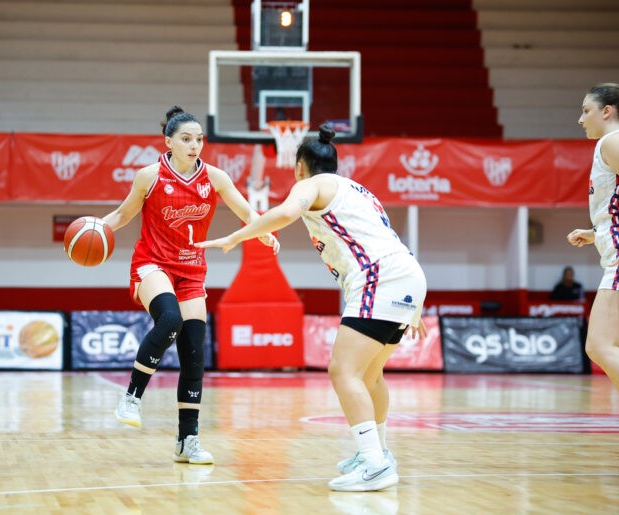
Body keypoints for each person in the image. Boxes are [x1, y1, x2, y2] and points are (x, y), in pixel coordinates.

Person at [196, 125, 427, 492]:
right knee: (370, 376)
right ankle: (378, 452)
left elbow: (286, 212)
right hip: (407, 276)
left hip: (379, 279)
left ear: (300, 167)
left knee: (342, 370)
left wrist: (239, 234)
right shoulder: (361, 192)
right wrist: (413, 307)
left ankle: (374, 463)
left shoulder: (311, 184)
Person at [102, 106, 280, 464]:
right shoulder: (148, 176)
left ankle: (188, 441)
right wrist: (94, 228)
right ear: (168, 141)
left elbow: (247, 212)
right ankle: (132, 397)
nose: (194, 144)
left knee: (195, 356)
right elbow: (122, 215)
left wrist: (264, 233)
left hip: (192, 271)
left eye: (199, 139)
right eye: (186, 138)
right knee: (169, 320)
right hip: (152, 264)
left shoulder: (215, 177)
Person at [567, 82, 619, 389]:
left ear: (607, 111)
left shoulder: (610, 142)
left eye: (587, 111)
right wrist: (597, 232)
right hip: (611, 254)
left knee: (598, 346)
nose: (581, 119)